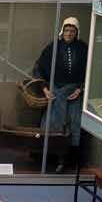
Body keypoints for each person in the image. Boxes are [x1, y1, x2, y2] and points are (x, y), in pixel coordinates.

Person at [34, 16, 88, 172]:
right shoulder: (53, 47)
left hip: (74, 94)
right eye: (66, 30)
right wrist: (45, 89)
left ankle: (67, 160)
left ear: (77, 32)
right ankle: (52, 159)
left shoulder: (83, 49)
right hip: (56, 93)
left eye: (72, 31)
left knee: (74, 124)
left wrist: (80, 89)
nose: (69, 34)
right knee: (52, 124)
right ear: (62, 31)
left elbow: (89, 71)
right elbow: (39, 68)